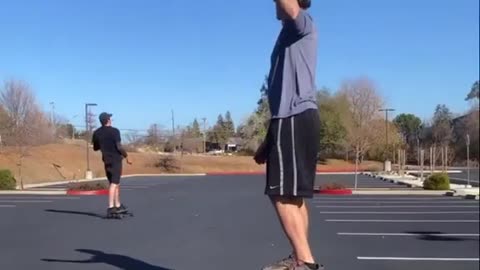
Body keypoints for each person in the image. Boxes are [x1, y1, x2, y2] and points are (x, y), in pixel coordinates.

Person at [254, 0, 323, 269]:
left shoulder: (302, 24)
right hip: (293, 119)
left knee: (280, 193)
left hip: (293, 117)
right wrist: (269, 140)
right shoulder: (288, 33)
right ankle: (302, 259)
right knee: (293, 195)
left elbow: (292, 9)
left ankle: (304, 261)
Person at [92, 112, 132, 216]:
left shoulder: (97, 133)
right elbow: (119, 146)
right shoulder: (115, 131)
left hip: (106, 160)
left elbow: (95, 148)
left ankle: (118, 205)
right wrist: (127, 156)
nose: (111, 119)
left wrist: (104, 144)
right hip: (115, 160)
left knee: (115, 183)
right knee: (114, 184)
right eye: (110, 118)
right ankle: (110, 207)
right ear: (108, 120)